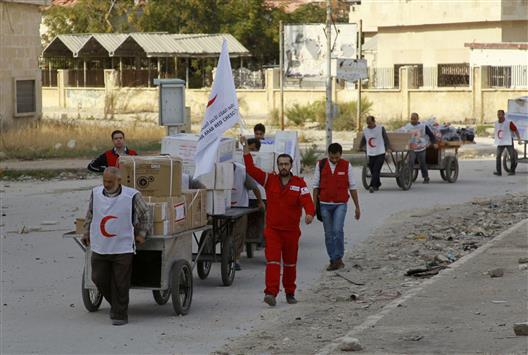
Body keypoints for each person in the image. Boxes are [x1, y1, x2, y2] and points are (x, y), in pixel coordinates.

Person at [241, 136, 315, 307]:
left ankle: (290, 292)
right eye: (280, 164)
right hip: (273, 231)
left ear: (291, 166)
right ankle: (271, 293)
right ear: (277, 166)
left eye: (286, 164)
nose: (283, 167)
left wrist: (309, 214)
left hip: (291, 232)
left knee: (290, 264)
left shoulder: (299, 183)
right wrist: (245, 147)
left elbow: (307, 201)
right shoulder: (269, 180)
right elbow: (251, 169)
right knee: (273, 262)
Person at [81, 167, 151, 326]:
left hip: (122, 247)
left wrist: (142, 233)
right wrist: (86, 232)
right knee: (98, 277)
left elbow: (146, 214)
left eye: (110, 182)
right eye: (104, 181)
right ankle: (117, 304)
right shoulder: (96, 193)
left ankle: (120, 314)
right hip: (100, 245)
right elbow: (90, 214)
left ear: (119, 181)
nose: (106, 184)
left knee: (121, 282)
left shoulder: (132, 196)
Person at [313, 143, 361, 271]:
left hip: (340, 204)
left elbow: (353, 187)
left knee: (337, 231)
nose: (334, 160)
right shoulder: (320, 165)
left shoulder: (346, 165)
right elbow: (315, 187)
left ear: (341, 155)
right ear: (328, 154)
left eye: (337, 158)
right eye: (332, 158)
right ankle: (333, 259)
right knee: (328, 234)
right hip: (324, 205)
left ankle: (338, 257)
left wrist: (357, 207)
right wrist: (313, 206)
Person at [231, 162, 264, 271]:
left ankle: (236, 259)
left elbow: (254, 187)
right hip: (222, 207)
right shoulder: (217, 169)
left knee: (239, 233)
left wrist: (260, 202)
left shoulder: (241, 171)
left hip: (240, 207)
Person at [400, 113, 437, 183]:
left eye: (414, 119)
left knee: (422, 163)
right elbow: (402, 133)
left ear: (418, 119)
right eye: (412, 119)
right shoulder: (407, 126)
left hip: (421, 147)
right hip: (412, 148)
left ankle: (426, 177)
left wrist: (434, 143)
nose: (413, 120)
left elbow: (431, 135)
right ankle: (409, 177)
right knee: (410, 162)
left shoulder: (423, 126)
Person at [360, 116, 391, 192]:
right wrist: (360, 147)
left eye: (370, 123)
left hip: (380, 152)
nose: (369, 125)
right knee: (372, 168)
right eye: (367, 123)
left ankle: (372, 186)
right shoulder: (366, 130)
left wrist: (388, 148)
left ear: (374, 122)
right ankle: (377, 183)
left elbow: (385, 138)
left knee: (376, 169)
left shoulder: (380, 128)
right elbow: (364, 139)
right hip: (371, 152)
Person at [494, 109, 522, 176]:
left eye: (500, 114)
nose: (499, 116)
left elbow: (515, 130)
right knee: (498, 156)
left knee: (512, 156)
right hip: (501, 142)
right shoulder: (496, 123)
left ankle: (512, 171)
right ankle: (499, 172)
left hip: (508, 140)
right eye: (498, 114)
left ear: (504, 115)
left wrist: (519, 139)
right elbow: (497, 131)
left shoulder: (509, 122)